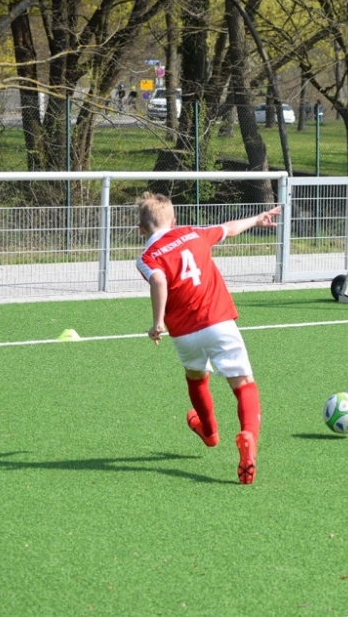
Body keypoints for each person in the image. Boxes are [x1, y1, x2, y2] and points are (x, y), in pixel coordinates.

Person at [136, 192, 282, 483]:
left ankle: (210, 432)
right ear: (174, 221)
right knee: (243, 384)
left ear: (141, 229)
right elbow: (229, 228)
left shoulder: (147, 257)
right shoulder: (193, 233)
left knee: (195, 376)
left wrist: (157, 323)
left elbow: (159, 279)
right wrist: (257, 219)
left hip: (184, 333)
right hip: (218, 322)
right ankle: (248, 436)